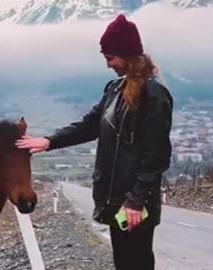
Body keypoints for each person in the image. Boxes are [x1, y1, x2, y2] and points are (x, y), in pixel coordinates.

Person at [16, 14, 173, 270]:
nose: (108, 65)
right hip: (116, 200)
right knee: (124, 263)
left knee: (138, 263)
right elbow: (89, 125)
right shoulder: (114, 89)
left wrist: (136, 200)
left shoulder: (154, 95)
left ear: (127, 54)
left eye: (110, 58)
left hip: (134, 204)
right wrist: (48, 141)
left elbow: (155, 156)